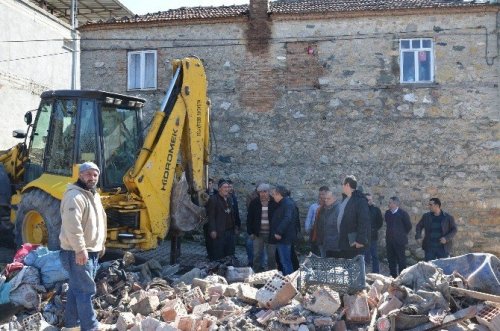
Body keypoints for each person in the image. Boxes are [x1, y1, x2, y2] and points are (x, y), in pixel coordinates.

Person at [59, 162, 108, 331]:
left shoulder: (93, 195)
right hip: (77, 252)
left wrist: (101, 243)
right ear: (80, 175)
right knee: (86, 290)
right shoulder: (75, 196)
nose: (92, 178)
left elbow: (101, 221)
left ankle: (71, 324)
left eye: (95, 175)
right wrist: (80, 249)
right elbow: (72, 226)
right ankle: (91, 327)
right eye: (88, 174)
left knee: (76, 288)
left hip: (90, 250)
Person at [329, 175, 369, 259]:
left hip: (354, 242)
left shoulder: (360, 200)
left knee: (354, 267)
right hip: (344, 240)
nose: (342, 187)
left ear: (347, 185)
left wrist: (360, 241)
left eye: (343, 184)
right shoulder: (345, 199)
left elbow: (364, 221)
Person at [206, 179, 240, 261]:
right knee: (219, 254)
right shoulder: (213, 199)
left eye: (228, 187)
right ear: (219, 189)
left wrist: (235, 226)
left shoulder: (229, 199)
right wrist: (212, 230)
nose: (227, 189)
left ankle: (228, 269)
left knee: (230, 253)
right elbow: (211, 216)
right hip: (219, 231)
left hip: (230, 231)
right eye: (225, 187)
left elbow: (232, 214)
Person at [247, 183, 278, 271]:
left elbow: (279, 218)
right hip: (258, 234)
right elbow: (249, 218)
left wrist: (277, 232)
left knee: (271, 256)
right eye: (260, 192)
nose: (262, 194)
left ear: (269, 192)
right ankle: (256, 272)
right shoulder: (254, 202)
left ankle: (272, 273)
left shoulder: (274, 202)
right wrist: (251, 232)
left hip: (271, 234)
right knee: (256, 254)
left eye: (265, 192)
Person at [269, 185, 297, 275]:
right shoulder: (284, 203)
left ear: (278, 194)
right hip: (284, 237)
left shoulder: (287, 204)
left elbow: (287, 218)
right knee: (284, 261)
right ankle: (288, 282)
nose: (272, 196)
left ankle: (289, 283)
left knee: (285, 262)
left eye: (274, 194)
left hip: (284, 238)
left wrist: (278, 232)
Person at [385, 196, 412, 278]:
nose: (388, 204)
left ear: (395, 204)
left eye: (390, 202)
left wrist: (401, 234)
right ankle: (393, 276)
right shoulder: (387, 213)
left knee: (401, 260)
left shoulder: (403, 214)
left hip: (400, 241)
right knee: (391, 259)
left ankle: (401, 277)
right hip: (389, 241)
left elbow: (408, 226)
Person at [305, 186, 329, 256]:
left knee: (323, 252)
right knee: (314, 251)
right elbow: (309, 218)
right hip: (314, 232)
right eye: (320, 194)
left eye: (323, 194)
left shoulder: (330, 207)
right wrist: (308, 228)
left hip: (325, 234)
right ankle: (314, 265)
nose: (321, 196)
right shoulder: (314, 206)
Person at [315, 191, 340, 257]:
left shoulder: (339, 209)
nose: (325, 200)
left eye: (328, 198)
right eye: (325, 198)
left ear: (334, 198)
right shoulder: (323, 209)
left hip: (335, 246)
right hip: (323, 242)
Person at [364, 193, 384, 273]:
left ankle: (376, 272)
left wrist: (374, 229)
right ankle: (363, 273)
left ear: (372, 200)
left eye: (370, 199)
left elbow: (380, 222)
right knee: (364, 255)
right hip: (363, 236)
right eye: (367, 199)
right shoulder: (361, 209)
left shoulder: (376, 209)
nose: (368, 201)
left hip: (373, 236)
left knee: (374, 255)